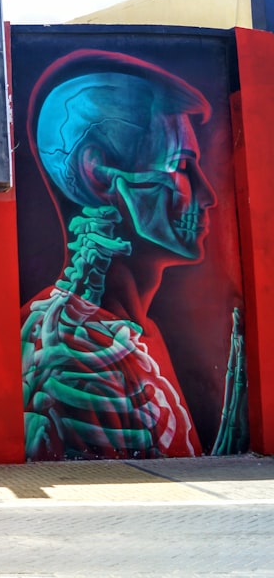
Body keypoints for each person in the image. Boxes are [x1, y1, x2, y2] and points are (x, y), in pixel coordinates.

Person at [21, 49, 218, 461]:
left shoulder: (135, 332)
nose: (208, 195)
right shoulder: (70, 350)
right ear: (100, 174)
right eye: (181, 165)